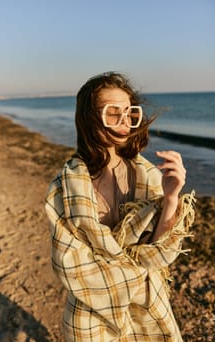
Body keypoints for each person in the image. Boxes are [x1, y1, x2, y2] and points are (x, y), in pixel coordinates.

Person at [45, 72, 195, 341]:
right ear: (89, 119)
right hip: (91, 309)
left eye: (129, 112)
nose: (125, 121)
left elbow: (159, 254)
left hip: (148, 304)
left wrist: (171, 197)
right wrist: (135, 271)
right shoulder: (65, 185)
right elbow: (69, 265)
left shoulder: (147, 175)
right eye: (113, 112)